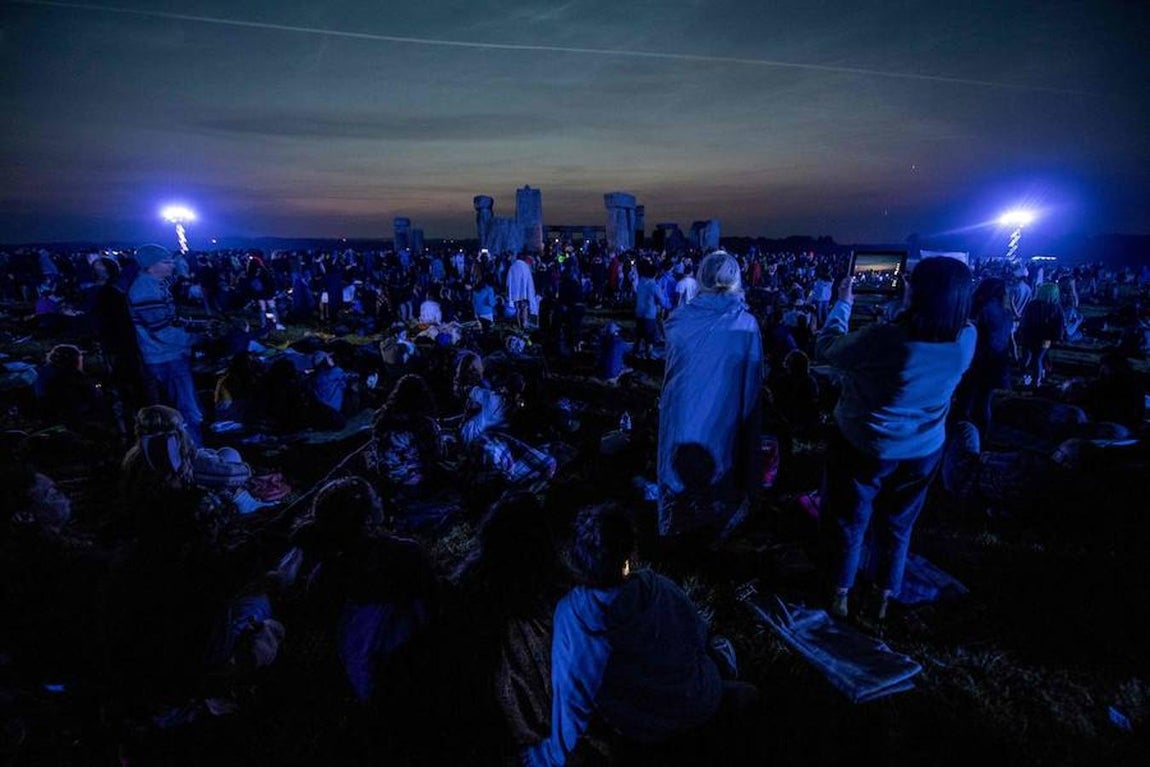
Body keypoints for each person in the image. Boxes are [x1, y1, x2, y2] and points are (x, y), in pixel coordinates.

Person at [816, 256, 975, 625]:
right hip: (923, 448)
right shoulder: (966, 339)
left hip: (866, 444)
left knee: (850, 520)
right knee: (898, 525)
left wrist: (843, 304)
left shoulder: (885, 339)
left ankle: (840, 592)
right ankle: (883, 597)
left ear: (921, 294)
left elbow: (827, 350)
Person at [522, 504, 727, 767]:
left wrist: (551, 753)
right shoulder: (660, 588)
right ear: (630, 554)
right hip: (699, 702)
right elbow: (698, 638)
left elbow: (571, 696)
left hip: (646, 729)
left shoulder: (572, 618)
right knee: (719, 651)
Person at [657, 251, 762, 546]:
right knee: (715, 471)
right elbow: (752, 385)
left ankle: (684, 532)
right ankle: (710, 531)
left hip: (684, 413)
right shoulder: (745, 325)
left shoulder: (679, 320)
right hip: (723, 416)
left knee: (684, 472)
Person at [128, 244, 205, 445]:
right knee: (186, 409)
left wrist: (197, 325)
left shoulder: (156, 285)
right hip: (164, 357)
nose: (173, 265)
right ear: (151, 266)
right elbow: (162, 330)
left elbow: (170, 319)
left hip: (169, 354)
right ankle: (194, 452)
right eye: (166, 261)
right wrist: (196, 338)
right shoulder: (145, 290)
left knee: (186, 406)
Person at [954, 277, 1012, 432]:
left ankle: (962, 435)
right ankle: (981, 436)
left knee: (965, 399)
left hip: (977, 360)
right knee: (984, 401)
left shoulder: (980, 308)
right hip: (998, 362)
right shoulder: (1005, 312)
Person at [1017, 282, 1066, 388]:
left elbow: (1024, 320)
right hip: (1045, 338)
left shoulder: (1033, 304)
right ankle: (1035, 382)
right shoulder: (1056, 307)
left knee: (1030, 357)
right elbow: (1060, 324)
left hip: (1031, 336)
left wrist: (1020, 331)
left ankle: (1027, 377)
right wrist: (1058, 337)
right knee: (1037, 358)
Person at [633, 260, 669, 359]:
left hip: (639, 313)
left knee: (638, 336)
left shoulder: (641, 282)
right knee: (649, 338)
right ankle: (648, 356)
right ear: (655, 274)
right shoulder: (654, 286)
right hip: (649, 315)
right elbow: (662, 302)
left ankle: (634, 353)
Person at [507, 254, 537, 330]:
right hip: (524, 293)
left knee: (517, 309)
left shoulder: (512, 267)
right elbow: (529, 281)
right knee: (524, 308)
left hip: (515, 293)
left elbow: (508, 281)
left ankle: (518, 324)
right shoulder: (525, 267)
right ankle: (524, 323)